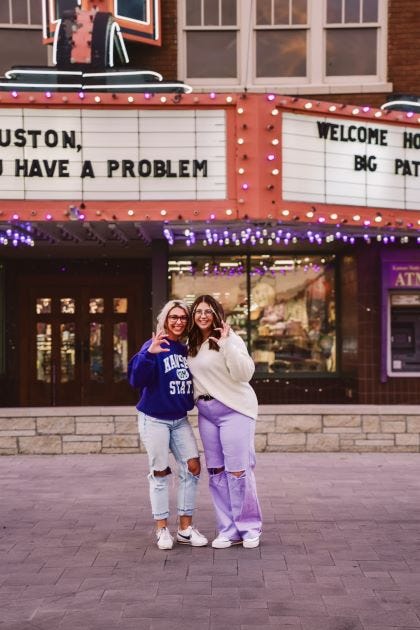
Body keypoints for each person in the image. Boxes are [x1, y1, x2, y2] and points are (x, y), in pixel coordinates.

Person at [128, 300, 208, 550]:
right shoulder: (153, 346)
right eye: (173, 317)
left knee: (192, 467)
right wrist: (148, 354)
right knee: (160, 471)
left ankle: (185, 528)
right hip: (154, 419)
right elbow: (135, 380)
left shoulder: (185, 350)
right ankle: (162, 529)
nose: (178, 321)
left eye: (183, 318)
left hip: (179, 419)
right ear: (164, 319)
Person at [187, 294, 262, 549]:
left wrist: (228, 345)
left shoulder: (230, 338)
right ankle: (227, 529)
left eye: (208, 310)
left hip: (235, 410)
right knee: (216, 471)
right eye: (198, 311)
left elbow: (245, 374)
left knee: (238, 470)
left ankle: (249, 527)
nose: (203, 315)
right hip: (207, 413)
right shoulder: (191, 344)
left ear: (217, 313)